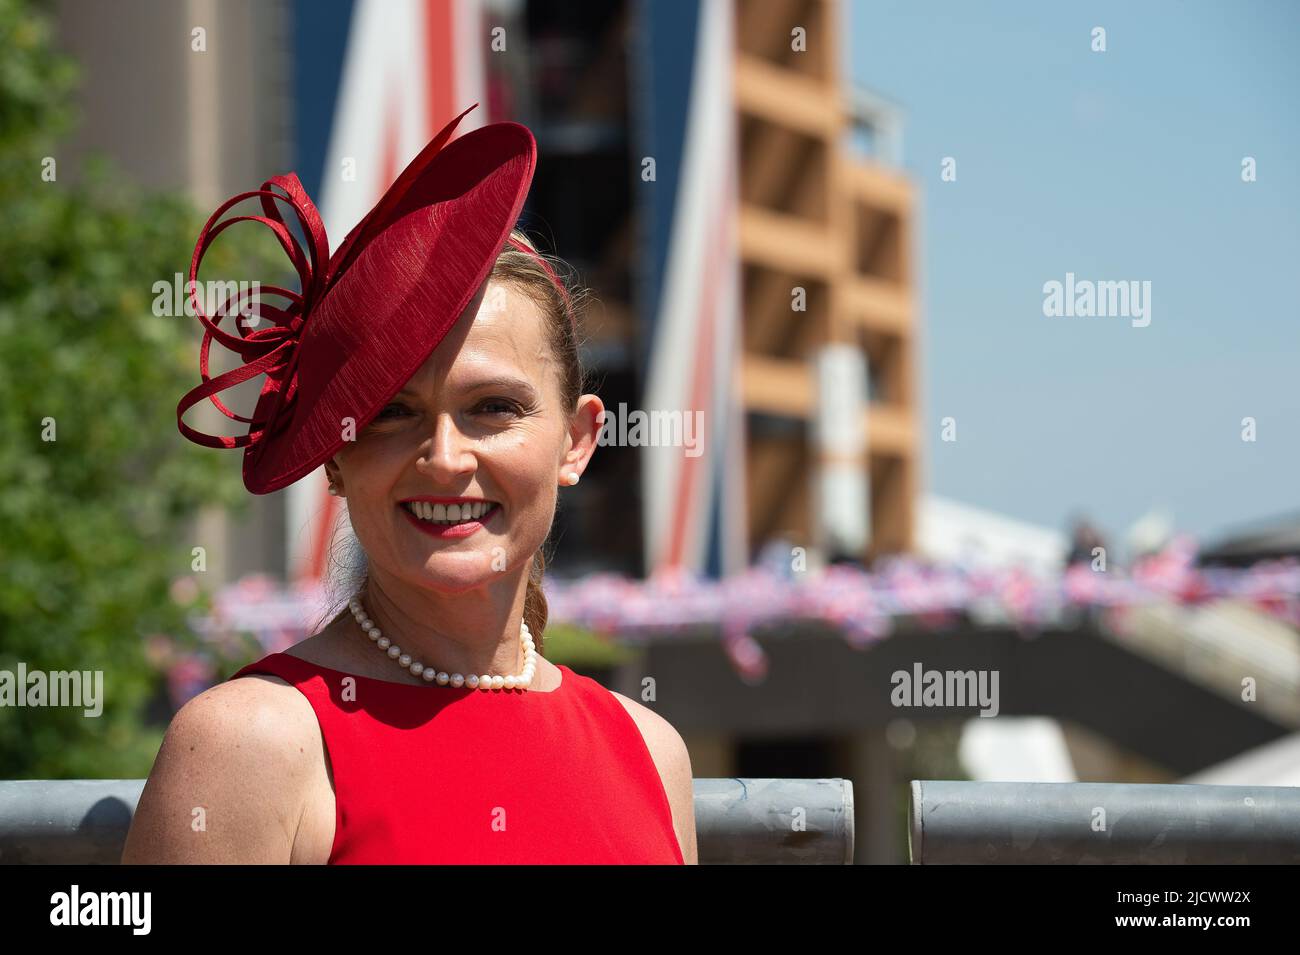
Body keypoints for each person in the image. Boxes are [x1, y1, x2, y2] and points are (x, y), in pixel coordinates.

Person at [122, 105, 695, 865]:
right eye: (391, 413)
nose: (445, 457)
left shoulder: (652, 751)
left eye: (494, 408)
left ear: (579, 439)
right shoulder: (253, 743)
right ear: (335, 453)